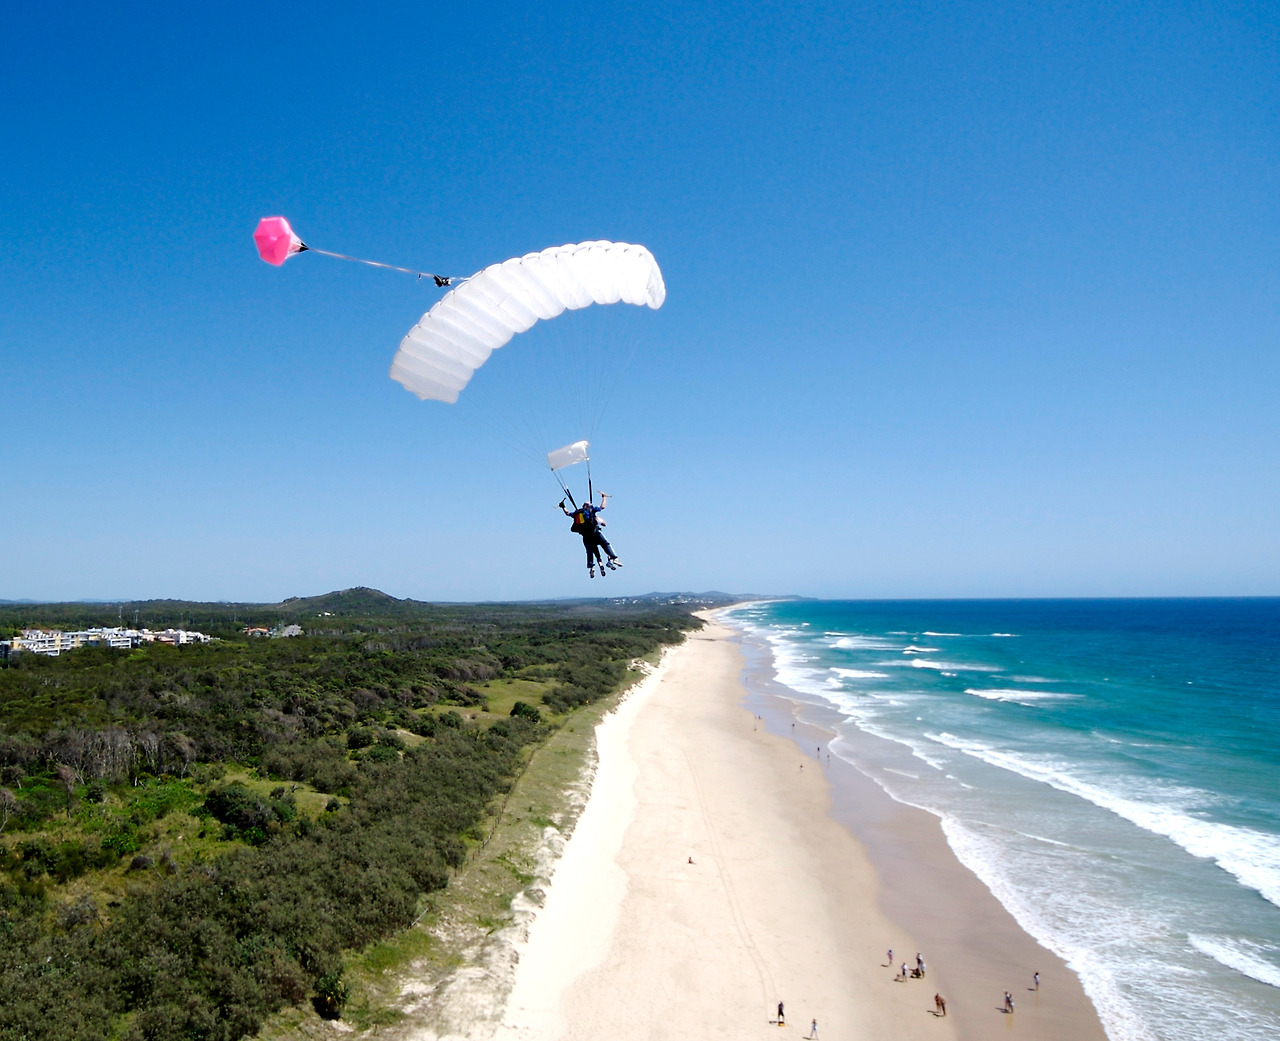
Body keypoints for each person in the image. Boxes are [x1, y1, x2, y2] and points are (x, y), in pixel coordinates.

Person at [558, 493, 621, 577]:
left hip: (586, 536)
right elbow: (602, 507)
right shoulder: (591, 510)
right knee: (605, 544)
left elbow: (567, 513)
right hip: (595, 533)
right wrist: (604, 498)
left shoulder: (577, 513)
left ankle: (591, 566)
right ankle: (614, 558)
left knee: (589, 552)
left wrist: (563, 506)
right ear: (589, 506)